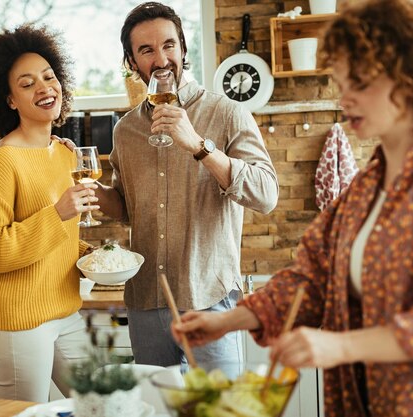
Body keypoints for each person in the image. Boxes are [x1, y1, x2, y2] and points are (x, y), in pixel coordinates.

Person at [172, 1, 413, 416]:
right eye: (341, 82)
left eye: (360, 83)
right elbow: (313, 277)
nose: (345, 98)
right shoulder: (365, 189)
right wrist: (229, 321)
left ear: (412, 77)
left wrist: (342, 344)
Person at [95, 2, 279, 372]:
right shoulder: (125, 131)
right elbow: (128, 208)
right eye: (146, 50)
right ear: (132, 62)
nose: (160, 58)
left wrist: (199, 145)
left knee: (220, 411)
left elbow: (266, 194)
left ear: (183, 49)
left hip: (209, 299)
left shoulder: (225, 112)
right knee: (157, 410)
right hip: (147, 301)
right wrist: (93, 194)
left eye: (168, 45)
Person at [0, 24, 99, 402]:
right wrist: (57, 214)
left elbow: (57, 234)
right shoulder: (0, 162)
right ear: (8, 100)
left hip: (65, 310)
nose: (44, 88)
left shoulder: (65, 153)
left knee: (102, 404)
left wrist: (88, 253)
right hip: (18, 320)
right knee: (24, 415)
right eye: (27, 84)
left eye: (49, 77)